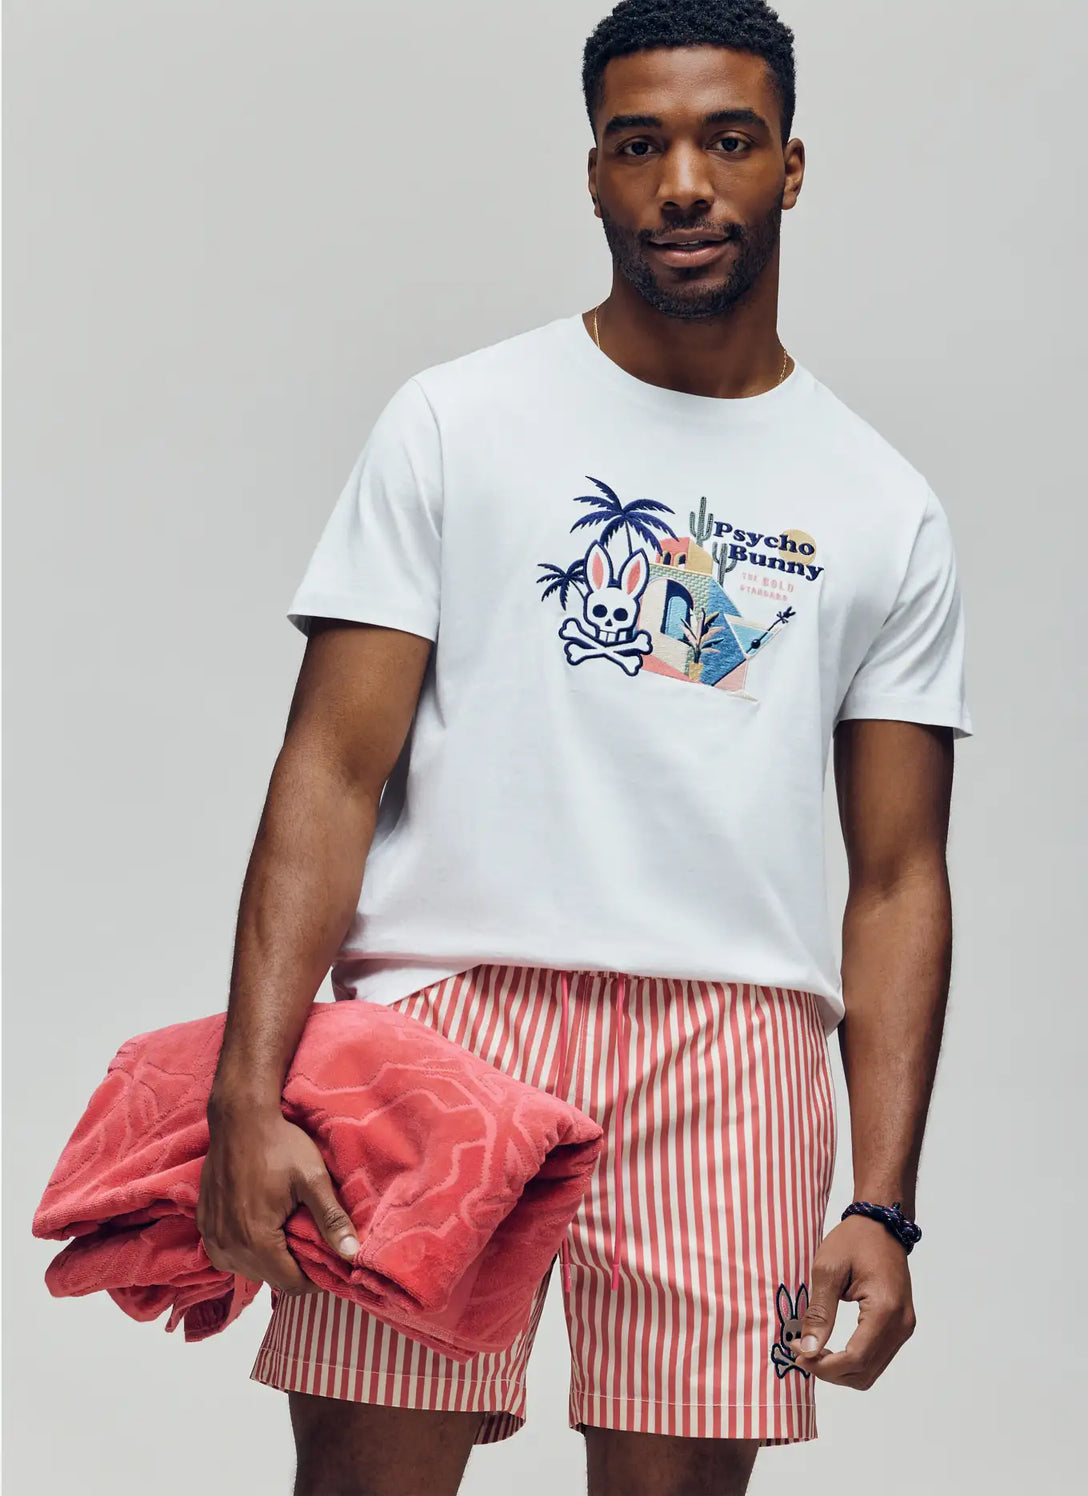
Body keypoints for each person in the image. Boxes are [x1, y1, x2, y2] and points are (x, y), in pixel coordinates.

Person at [196, 1, 974, 1492]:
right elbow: (328, 773)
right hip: (450, 1019)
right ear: (597, 174)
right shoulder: (455, 422)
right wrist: (250, 1084)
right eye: (642, 144)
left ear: (791, 168)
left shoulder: (886, 505)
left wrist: (885, 1200)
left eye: (727, 140)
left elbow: (896, 875)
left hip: (735, 1049)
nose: (684, 181)